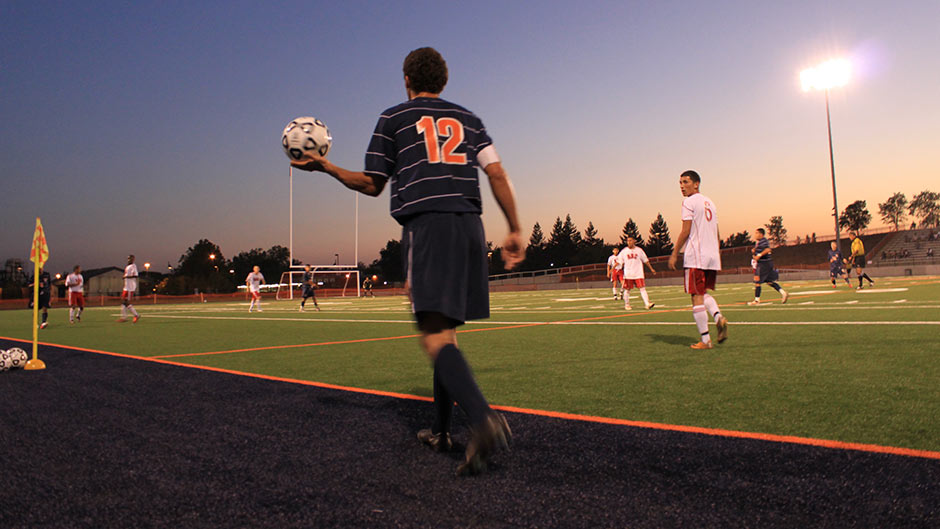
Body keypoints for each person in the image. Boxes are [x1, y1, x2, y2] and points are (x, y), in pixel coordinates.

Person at [290, 47, 522, 476]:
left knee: (433, 336)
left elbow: (372, 183)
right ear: (444, 81)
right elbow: (497, 173)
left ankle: (483, 420)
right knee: (446, 333)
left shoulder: (393, 118)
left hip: (428, 225)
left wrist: (324, 166)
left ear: (406, 80)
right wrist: (515, 228)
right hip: (471, 225)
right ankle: (440, 430)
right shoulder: (470, 119)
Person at [668, 170, 728, 350]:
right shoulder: (710, 202)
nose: (681, 186)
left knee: (696, 296)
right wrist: (717, 254)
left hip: (696, 256)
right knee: (701, 293)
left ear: (696, 183)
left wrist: (674, 253)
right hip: (711, 255)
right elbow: (716, 232)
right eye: (680, 183)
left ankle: (705, 340)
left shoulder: (688, 202)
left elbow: (686, 231)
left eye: (685, 182)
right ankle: (718, 317)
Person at [747, 228, 788, 305]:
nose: (755, 235)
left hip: (763, 264)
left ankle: (756, 300)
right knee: (769, 282)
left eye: (756, 233)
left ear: (761, 234)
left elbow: (768, 249)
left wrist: (758, 255)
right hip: (767, 264)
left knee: (757, 281)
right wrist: (754, 250)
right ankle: (783, 293)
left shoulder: (763, 241)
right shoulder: (759, 242)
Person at [617, 236, 656, 310]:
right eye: (628, 241)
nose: (629, 242)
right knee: (627, 290)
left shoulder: (639, 250)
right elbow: (620, 262)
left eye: (630, 240)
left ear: (634, 241)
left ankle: (647, 304)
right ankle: (627, 304)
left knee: (642, 288)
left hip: (638, 273)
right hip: (628, 274)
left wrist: (651, 268)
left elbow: (645, 260)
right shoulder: (624, 251)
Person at [117, 255, 140, 323]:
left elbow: (136, 275)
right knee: (123, 301)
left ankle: (136, 315)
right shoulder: (127, 266)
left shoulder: (133, 266)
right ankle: (124, 317)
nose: (129, 259)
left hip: (130, 287)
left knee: (127, 302)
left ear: (133, 259)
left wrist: (126, 277)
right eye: (128, 258)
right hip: (126, 286)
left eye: (130, 258)